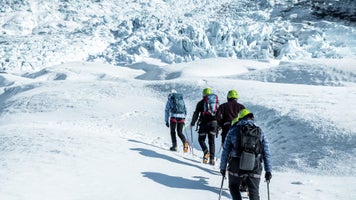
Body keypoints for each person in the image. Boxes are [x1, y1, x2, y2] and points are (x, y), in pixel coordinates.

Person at [220, 109, 272, 200]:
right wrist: (268, 170)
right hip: (255, 164)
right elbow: (266, 151)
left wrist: (223, 167)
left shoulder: (233, 130)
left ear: (239, 118)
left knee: (233, 186)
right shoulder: (259, 131)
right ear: (252, 118)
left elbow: (225, 150)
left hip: (236, 164)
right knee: (253, 190)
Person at [190, 87, 219, 165]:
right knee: (211, 141)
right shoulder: (216, 103)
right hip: (214, 123)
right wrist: (218, 126)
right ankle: (212, 159)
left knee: (201, 139)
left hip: (204, 123)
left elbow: (196, 113)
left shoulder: (201, 103)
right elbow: (219, 114)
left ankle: (206, 151)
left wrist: (192, 123)